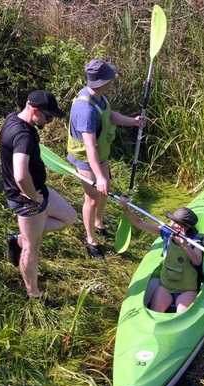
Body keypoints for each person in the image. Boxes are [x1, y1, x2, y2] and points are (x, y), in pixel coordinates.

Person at [0, 90, 78, 306]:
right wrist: (33, 196)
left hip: (38, 191)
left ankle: (18, 239)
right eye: (48, 116)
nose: (50, 121)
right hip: (28, 200)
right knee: (32, 248)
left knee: (69, 217)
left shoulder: (12, 118)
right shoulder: (23, 136)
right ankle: (33, 295)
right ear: (34, 110)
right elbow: (20, 174)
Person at [67, 59, 147, 258]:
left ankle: (98, 222)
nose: (113, 79)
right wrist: (98, 177)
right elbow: (89, 146)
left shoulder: (100, 97)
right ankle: (90, 239)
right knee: (92, 197)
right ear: (102, 81)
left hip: (100, 153)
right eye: (110, 77)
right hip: (85, 157)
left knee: (105, 189)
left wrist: (133, 122)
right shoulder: (85, 110)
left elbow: (108, 115)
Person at [119, 199, 203, 313]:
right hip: (166, 286)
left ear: (186, 227)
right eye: (172, 221)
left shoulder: (195, 242)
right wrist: (125, 210)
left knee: (182, 314)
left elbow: (197, 261)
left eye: (176, 223)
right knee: (156, 310)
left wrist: (184, 245)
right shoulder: (167, 233)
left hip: (187, 290)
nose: (172, 224)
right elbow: (139, 223)